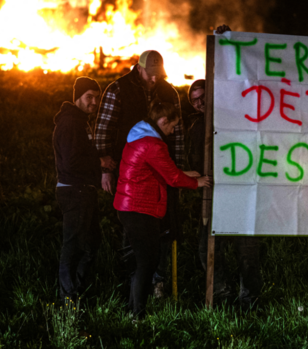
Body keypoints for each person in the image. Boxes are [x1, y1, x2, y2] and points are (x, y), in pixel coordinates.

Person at [95, 50, 186, 297]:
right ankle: (132, 282)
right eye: (151, 75)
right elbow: (104, 128)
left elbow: (177, 134)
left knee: (164, 225)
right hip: (132, 173)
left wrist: (176, 169)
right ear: (139, 68)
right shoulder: (118, 90)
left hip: (160, 171)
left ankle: (158, 281)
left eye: (159, 75)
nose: (155, 80)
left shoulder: (169, 92)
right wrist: (106, 169)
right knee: (134, 225)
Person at [113, 101, 211, 319]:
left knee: (141, 261)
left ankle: (132, 310)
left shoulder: (140, 134)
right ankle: (137, 315)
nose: (173, 131)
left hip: (130, 206)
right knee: (147, 262)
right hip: (140, 209)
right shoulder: (153, 144)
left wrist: (188, 174)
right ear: (163, 121)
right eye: (172, 126)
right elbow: (173, 178)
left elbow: (162, 169)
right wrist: (199, 182)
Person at [189, 77, 263, 310]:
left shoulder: (236, 120)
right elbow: (193, 159)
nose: (199, 103)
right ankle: (222, 291)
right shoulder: (196, 127)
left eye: (202, 97)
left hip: (240, 194)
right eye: (194, 100)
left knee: (247, 248)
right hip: (212, 196)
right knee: (207, 247)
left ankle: (250, 298)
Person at [52, 77, 105, 301]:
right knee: (74, 247)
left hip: (82, 190)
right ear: (78, 97)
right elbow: (71, 162)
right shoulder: (72, 123)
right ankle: (69, 298)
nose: (94, 102)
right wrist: (100, 162)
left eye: (97, 97)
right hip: (76, 191)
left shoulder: (79, 121)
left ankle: (77, 292)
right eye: (89, 97)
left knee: (90, 243)